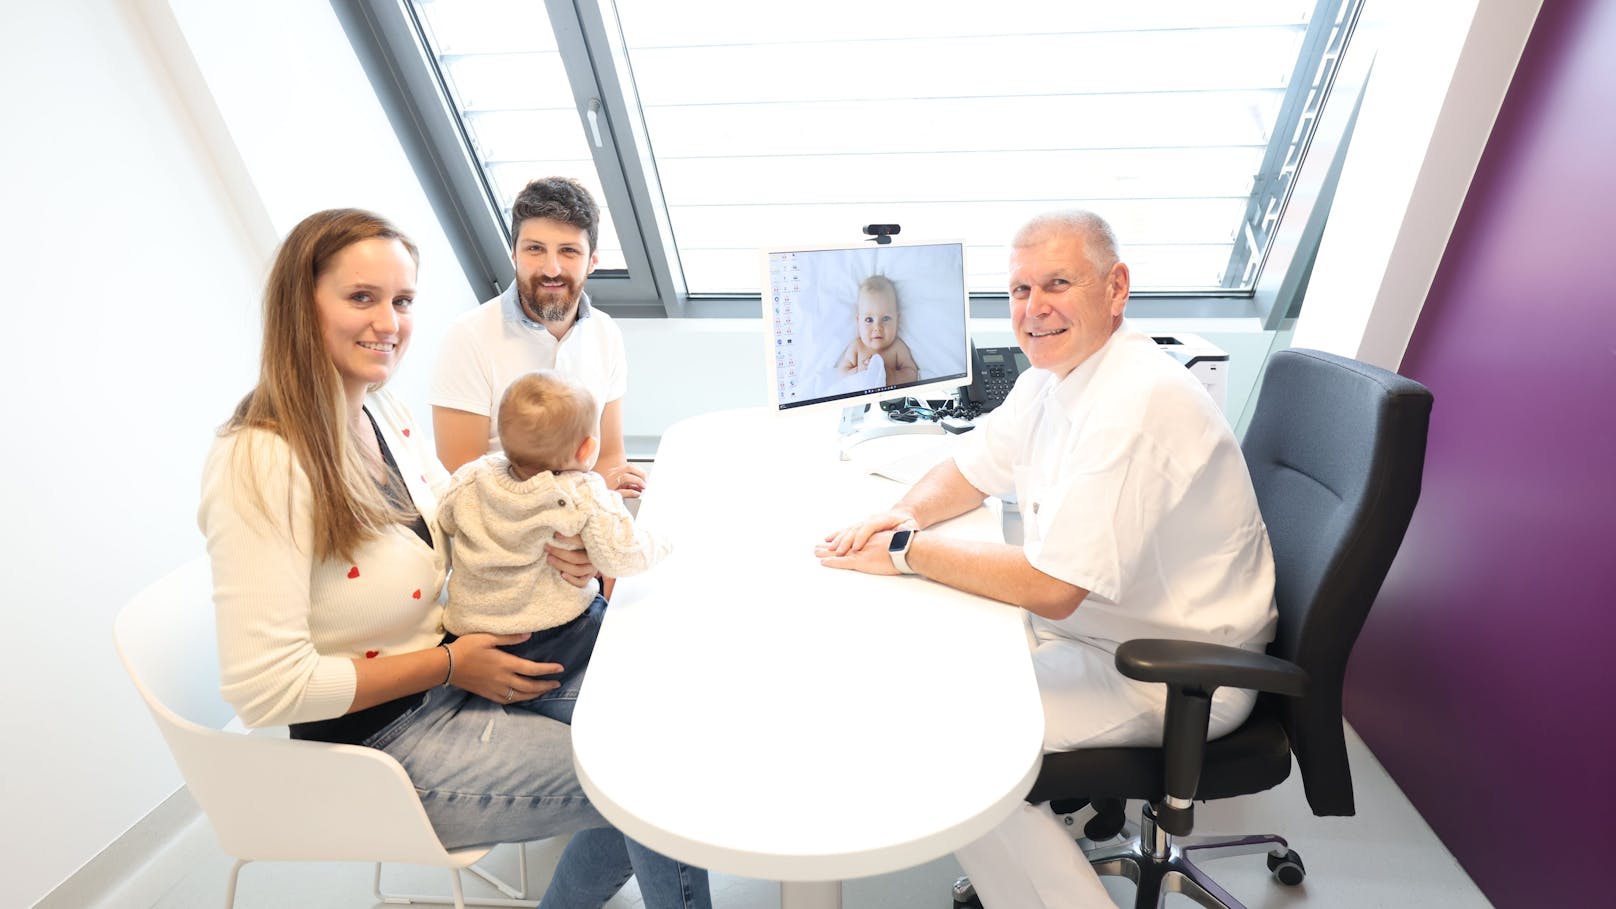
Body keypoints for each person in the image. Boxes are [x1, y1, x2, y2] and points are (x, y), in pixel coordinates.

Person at [199, 208, 710, 908]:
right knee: (652, 780)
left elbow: (467, 512)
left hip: (459, 672)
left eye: (402, 301)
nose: (390, 322)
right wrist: (450, 662)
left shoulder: (384, 413)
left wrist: (564, 542)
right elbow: (264, 689)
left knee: (663, 726)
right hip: (382, 743)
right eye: (362, 297)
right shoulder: (261, 461)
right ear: (300, 304)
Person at [816, 210, 1277, 908]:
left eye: (1057, 283)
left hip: (1171, 669)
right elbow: (973, 466)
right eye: (1020, 290)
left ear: (1116, 287)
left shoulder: (1135, 402)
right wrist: (900, 515)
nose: (1033, 310)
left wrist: (908, 554)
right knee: (919, 673)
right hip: (1101, 627)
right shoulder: (1055, 373)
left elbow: (1054, 586)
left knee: (953, 744)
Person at [438, 370, 671, 724]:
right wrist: (663, 542)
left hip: (472, 634)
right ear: (588, 448)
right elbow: (623, 555)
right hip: (550, 639)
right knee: (619, 629)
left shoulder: (472, 476)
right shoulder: (583, 492)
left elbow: (445, 519)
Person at [430, 177, 647, 499]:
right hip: (500, 533)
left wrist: (617, 490)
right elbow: (462, 480)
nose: (551, 268)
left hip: (580, 523)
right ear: (514, 255)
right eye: (535, 249)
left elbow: (607, 458)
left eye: (569, 251)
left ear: (593, 261)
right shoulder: (468, 336)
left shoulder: (606, 333)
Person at [832, 274, 918, 387]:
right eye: (869, 319)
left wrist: (892, 376)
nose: (877, 327)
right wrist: (859, 372)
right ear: (858, 321)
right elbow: (841, 373)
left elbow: (912, 373)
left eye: (886, 318)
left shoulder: (897, 348)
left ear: (897, 320)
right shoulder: (857, 346)